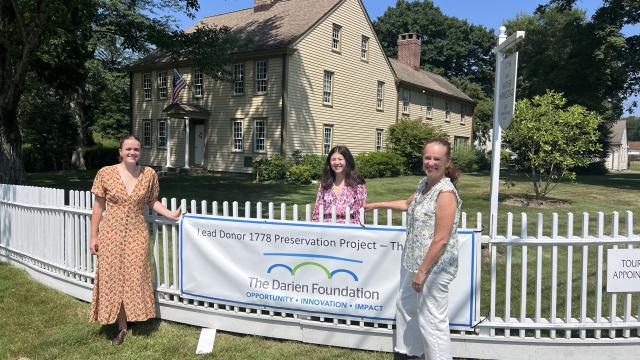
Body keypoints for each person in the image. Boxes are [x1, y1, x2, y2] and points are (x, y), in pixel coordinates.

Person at [365, 139, 461, 360]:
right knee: (406, 306)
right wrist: (375, 205)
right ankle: (409, 354)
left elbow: (441, 239)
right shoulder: (424, 184)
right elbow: (408, 204)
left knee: (432, 321)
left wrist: (423, 271)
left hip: (433, 269)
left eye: (437, 159)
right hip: (413, 262)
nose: (431, 162)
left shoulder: (445, 193)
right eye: (427, 157)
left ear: (447, 162)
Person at [89, 135, 180, 346]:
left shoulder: (149, 174)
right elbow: (98, 207)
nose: (132, 152)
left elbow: (152, 201)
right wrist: (93, 236)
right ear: (120, 151)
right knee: (113, 277)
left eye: (136, 149)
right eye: (128, 149)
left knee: (134, 275)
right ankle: (121, 326)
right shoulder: (106, 173)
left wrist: (170, 214)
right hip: (111, 233)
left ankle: (131, 315)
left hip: (137, 234)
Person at [312, 145, 367, 224]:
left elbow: (361, 211)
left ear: (347, 161)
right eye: (333, 159)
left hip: (349, 230)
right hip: (326, 230)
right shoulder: (324, 184)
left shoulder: (358, 184)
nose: (336, 162)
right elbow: (317, 211)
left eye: (340, 159)